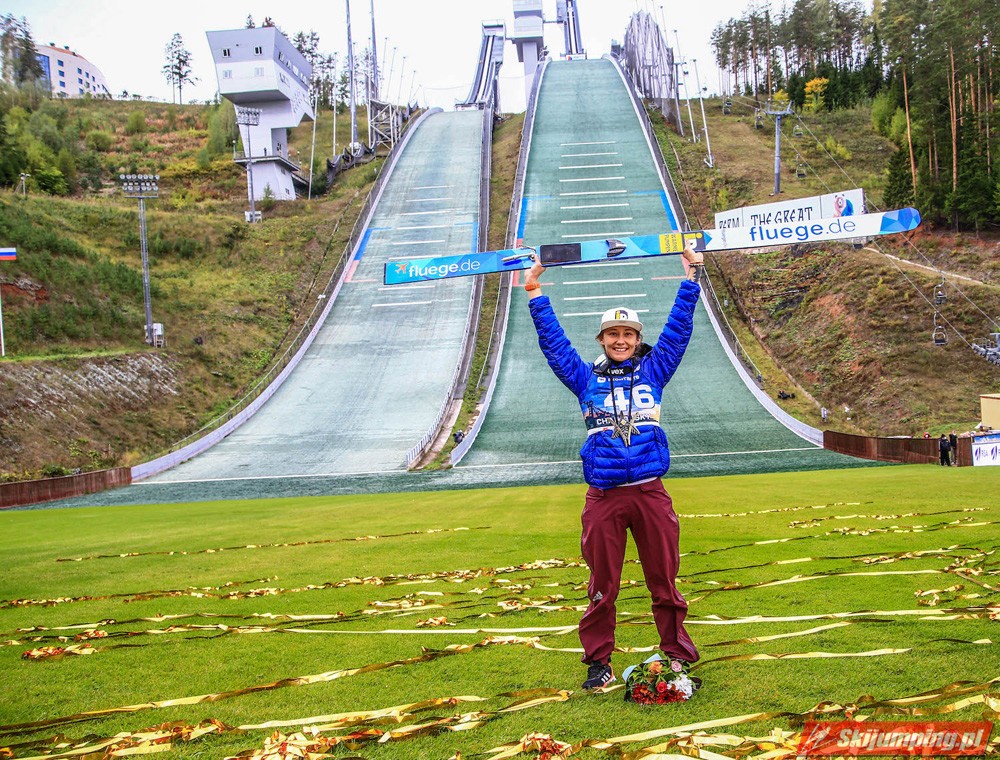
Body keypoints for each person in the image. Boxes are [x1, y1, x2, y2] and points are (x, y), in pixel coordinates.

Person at [523, 242, 703, 691]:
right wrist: (534, 291)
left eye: (628, 334)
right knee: (602, 585)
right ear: (602, 340)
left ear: (638, 340)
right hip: (603, 497)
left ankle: (676, 656)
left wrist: (691, 278)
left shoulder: (654, 372)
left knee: (664, 581)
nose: (621, 340)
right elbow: (554, 345)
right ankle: (599, 662)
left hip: (650, 493)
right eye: (612, 334)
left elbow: (679, 330)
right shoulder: (584, 377)